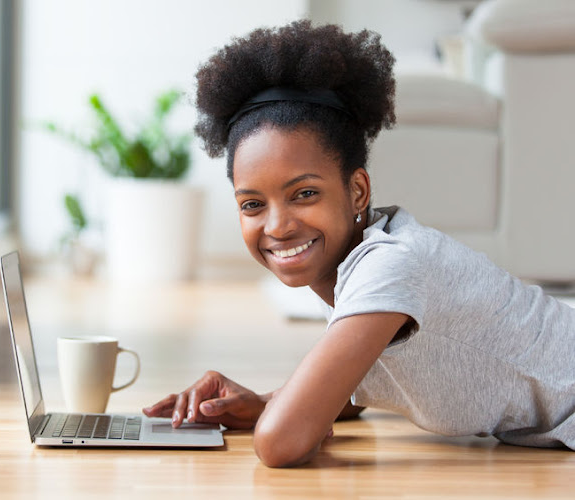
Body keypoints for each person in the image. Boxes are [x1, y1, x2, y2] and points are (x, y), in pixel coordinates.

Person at [142, 20, 575, 467]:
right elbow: (360, 385)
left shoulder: (392, 263)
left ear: (358, 191)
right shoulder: (357, 263)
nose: (278, 225)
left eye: (305, 194)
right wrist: (264, 401)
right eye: (252, 204)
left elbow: (280, 443)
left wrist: (283, 415)